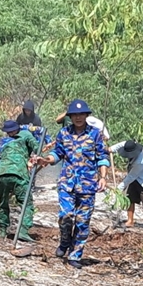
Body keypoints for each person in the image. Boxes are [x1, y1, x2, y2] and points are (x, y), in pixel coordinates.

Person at [37, 99, 109, 270]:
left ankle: (75, 254)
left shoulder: (95, 134)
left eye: (81, 114)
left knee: (83, 222)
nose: (78, 117)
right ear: (70, 117)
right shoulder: (64, 133)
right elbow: (57, 153)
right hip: (67, 183)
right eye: (75, 115)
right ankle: (64, 242)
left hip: (88, 185)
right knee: (66, 215)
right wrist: (45, 160)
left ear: (86, 115)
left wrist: (103, 177)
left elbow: (102, 157)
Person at [0, 120, 40, 242]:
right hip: (18, 174)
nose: (10, 133)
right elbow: (38, 148)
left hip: (2, 174)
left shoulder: (0, 143)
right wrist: (38, 156)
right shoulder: (26, 136)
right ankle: (23, 231)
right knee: (26, 203)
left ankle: (3, 231)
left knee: (3, 203)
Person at [111, 140, 143, 232]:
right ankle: (130, 221)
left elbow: (132, 175)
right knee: (130, 198)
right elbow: (122, 143)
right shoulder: (130, 145)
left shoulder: (142, 159)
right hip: (136, 178)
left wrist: (119, 187)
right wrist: (111, 149)